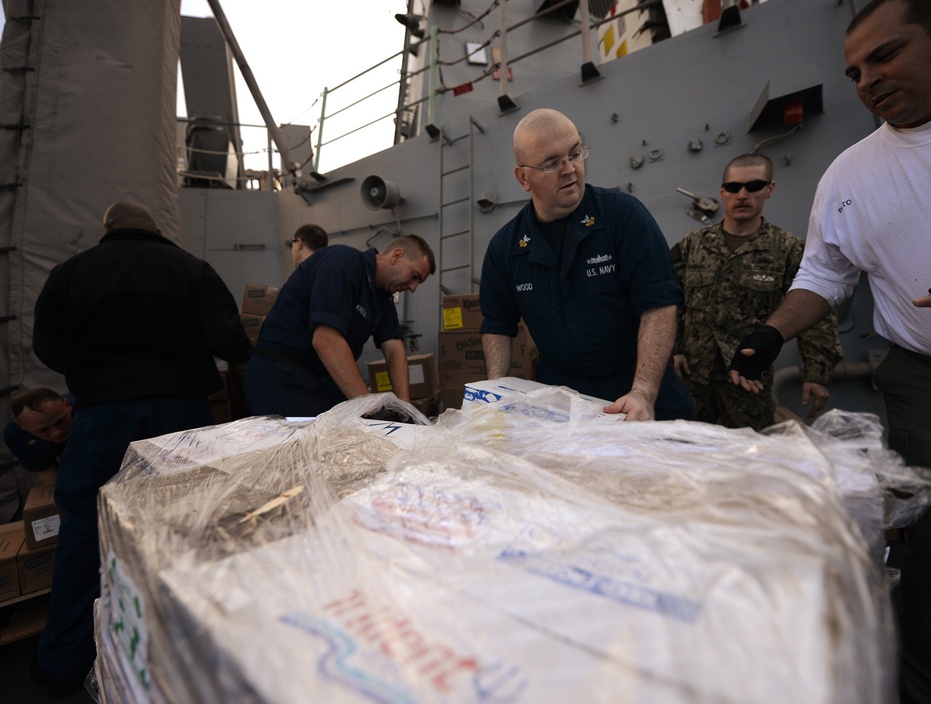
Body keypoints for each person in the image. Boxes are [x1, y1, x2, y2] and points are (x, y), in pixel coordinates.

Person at [727, 1, 931, 701]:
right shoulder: (850, 174)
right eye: (854, 71)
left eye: (887, 55)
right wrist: (771, 333)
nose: (867, 81)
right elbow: (826, 273)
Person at [31, 202, 252, 696]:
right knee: (185, 529)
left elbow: (46, 347)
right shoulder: (191, 269)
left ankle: (61, 664)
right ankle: (184, 658)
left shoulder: (69, 274)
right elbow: (229, 341)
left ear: (107, 228)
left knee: (86, 532)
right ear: (155, 230)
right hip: (180, 419)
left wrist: (95, 369)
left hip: (99, 417)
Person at [479, 108, 692, 421]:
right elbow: (497, 325)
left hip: (638, 390)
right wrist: (494, 394)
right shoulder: (505, 249)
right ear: (523, 177)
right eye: (552, 163)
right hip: (564, 404)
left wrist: (643, 391)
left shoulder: (624, 217)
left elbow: (658, 306)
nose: (570, 169)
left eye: (575, 153)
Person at [670, 153, 843, 430]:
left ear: (769, 189)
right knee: (685, 449)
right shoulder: (693, 244)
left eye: (753, 186)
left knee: (750, 454)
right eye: (734, 187)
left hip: (747, 378)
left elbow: (814, 314)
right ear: (722, 191)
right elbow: (670, 300)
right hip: (692, 376)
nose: (742, 195)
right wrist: (673, 350)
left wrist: (817, 373)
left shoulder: (787, 249)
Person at [244, 235, 435, 417]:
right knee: (302, 448)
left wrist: (405, 406)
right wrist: (368, 407)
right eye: (414, 276)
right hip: (281, 375)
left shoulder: (383, 297)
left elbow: (394, 348)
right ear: (397, 256)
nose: (413, 287)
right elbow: (326, 340)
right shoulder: (342, 262)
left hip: (318, 380)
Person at [4, 388, 73, 488]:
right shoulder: (16, 435)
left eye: (60, 422)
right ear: (22, 426)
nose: (56, 433)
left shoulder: (88, 411)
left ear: (67, 405)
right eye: (43, 430)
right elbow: (47, 475)